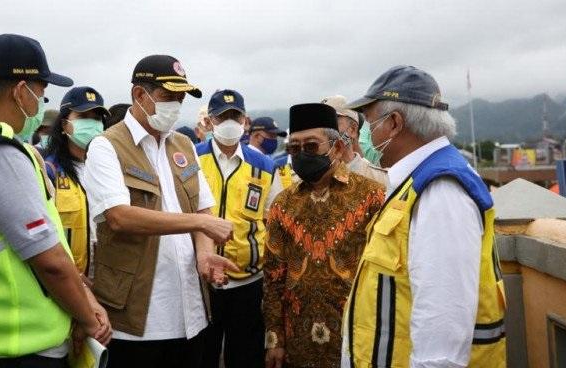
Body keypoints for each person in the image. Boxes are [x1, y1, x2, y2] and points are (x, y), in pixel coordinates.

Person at [0, 34, 111, 368]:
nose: (40, 105)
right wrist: (87, 318)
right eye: (41, 94)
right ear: (20, 90)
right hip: (19, 345)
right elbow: (50, 260)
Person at [341, 65, 506, 368]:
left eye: (368, 122)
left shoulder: (441, 189)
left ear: (393, 123)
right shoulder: (416, 180)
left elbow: (443, 324)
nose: (365, 134)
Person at [82, 54, 237, 368]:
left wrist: (205, 254)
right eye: (168, 97)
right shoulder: (106, 146)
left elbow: (202, 207)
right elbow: (119, 217)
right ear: (139, 95)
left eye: (180, 98)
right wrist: (199, 223)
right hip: (139, 318)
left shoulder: (183, 144)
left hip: (191, 312)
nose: (176, 106)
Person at [263, 103, 385, 368]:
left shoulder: (372, 196)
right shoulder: (283, 203)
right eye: (294, 148)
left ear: (337, 148)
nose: (301, 154)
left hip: (358, 336)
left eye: (310, 146)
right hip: (298, 340)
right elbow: (273, 277)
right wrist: (275, 339)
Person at [195, 90, 276, 368]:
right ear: (210, 121)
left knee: (246, 356)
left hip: (249, 281)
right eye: (222, 116)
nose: (229, 121)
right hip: (203, 280)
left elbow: (272, 220)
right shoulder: (192, 160)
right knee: (203, 354)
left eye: (235, 116)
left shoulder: (264, 166)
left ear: (245, 120)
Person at [43, 87, 108, 278]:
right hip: (68, 278)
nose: (92, 123)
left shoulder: (110, 169)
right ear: (64, 125)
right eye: (83, 116)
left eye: (97, 118)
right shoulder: (49, 171)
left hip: (106, 277)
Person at [320, 95, 388, 186]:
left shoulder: (380, 179)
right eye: (319, 124)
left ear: (352, 129)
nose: (323, 130)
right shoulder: (307, 180)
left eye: (331, 122)